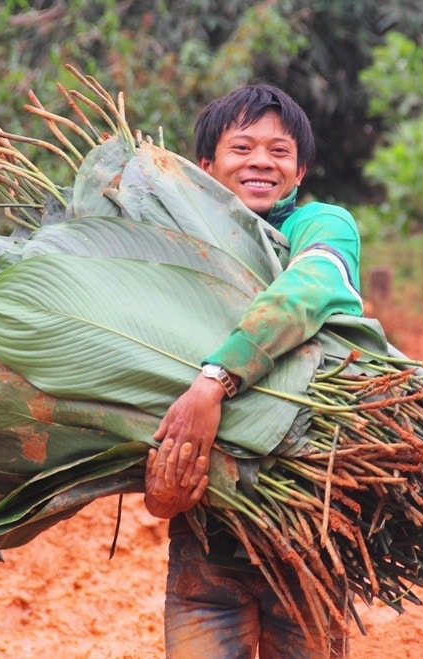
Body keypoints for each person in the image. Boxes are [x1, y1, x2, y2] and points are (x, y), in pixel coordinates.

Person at [143, 83, 364, 658]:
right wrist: (162, 490)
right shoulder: (172, 256)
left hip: (308, 541)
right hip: (206, 552)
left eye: (279, 151)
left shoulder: (321, 228)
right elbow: (142, 415)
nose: (261, 161)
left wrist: (214, 380)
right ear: (205, 166)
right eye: (241, 148)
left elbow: (306, 292)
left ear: (300, 170)